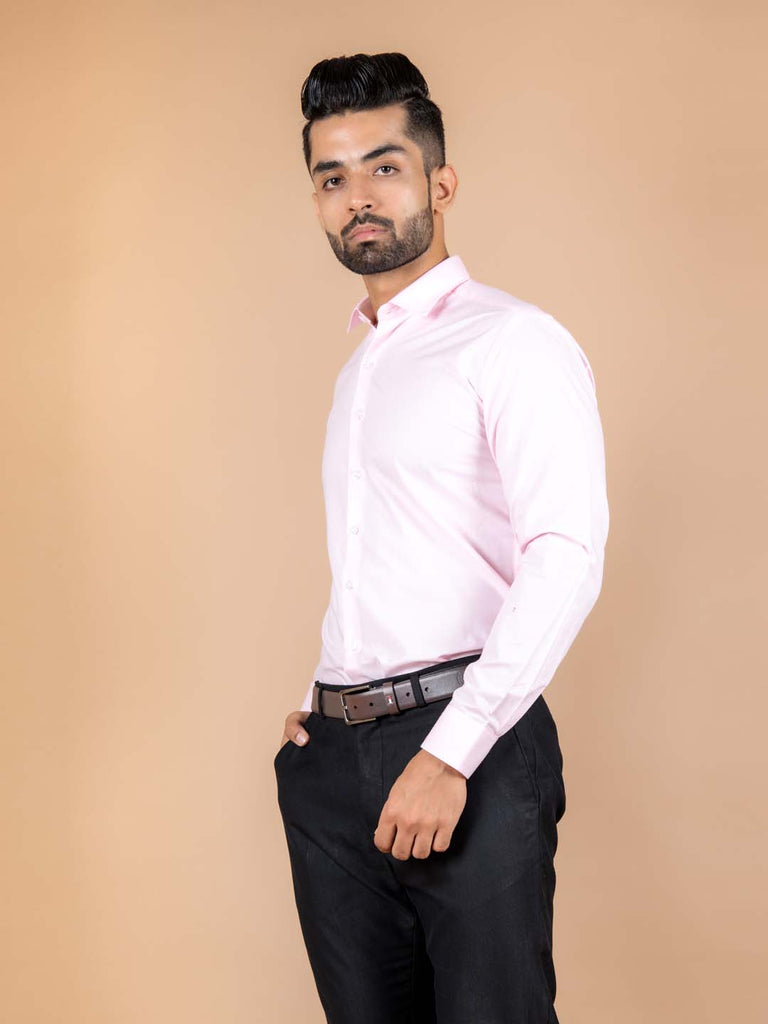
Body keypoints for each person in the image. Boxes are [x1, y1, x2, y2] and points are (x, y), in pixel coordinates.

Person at [273, 51, 609, 1024]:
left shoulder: (512, 340)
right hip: (337, 762)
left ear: (441, 183)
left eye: (384, 167)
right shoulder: (360, 372)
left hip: (470, 741)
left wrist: (450, 753)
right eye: (332, 177)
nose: (358, 197)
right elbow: (386, 562)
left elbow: (565, 552)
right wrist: (321, 709)